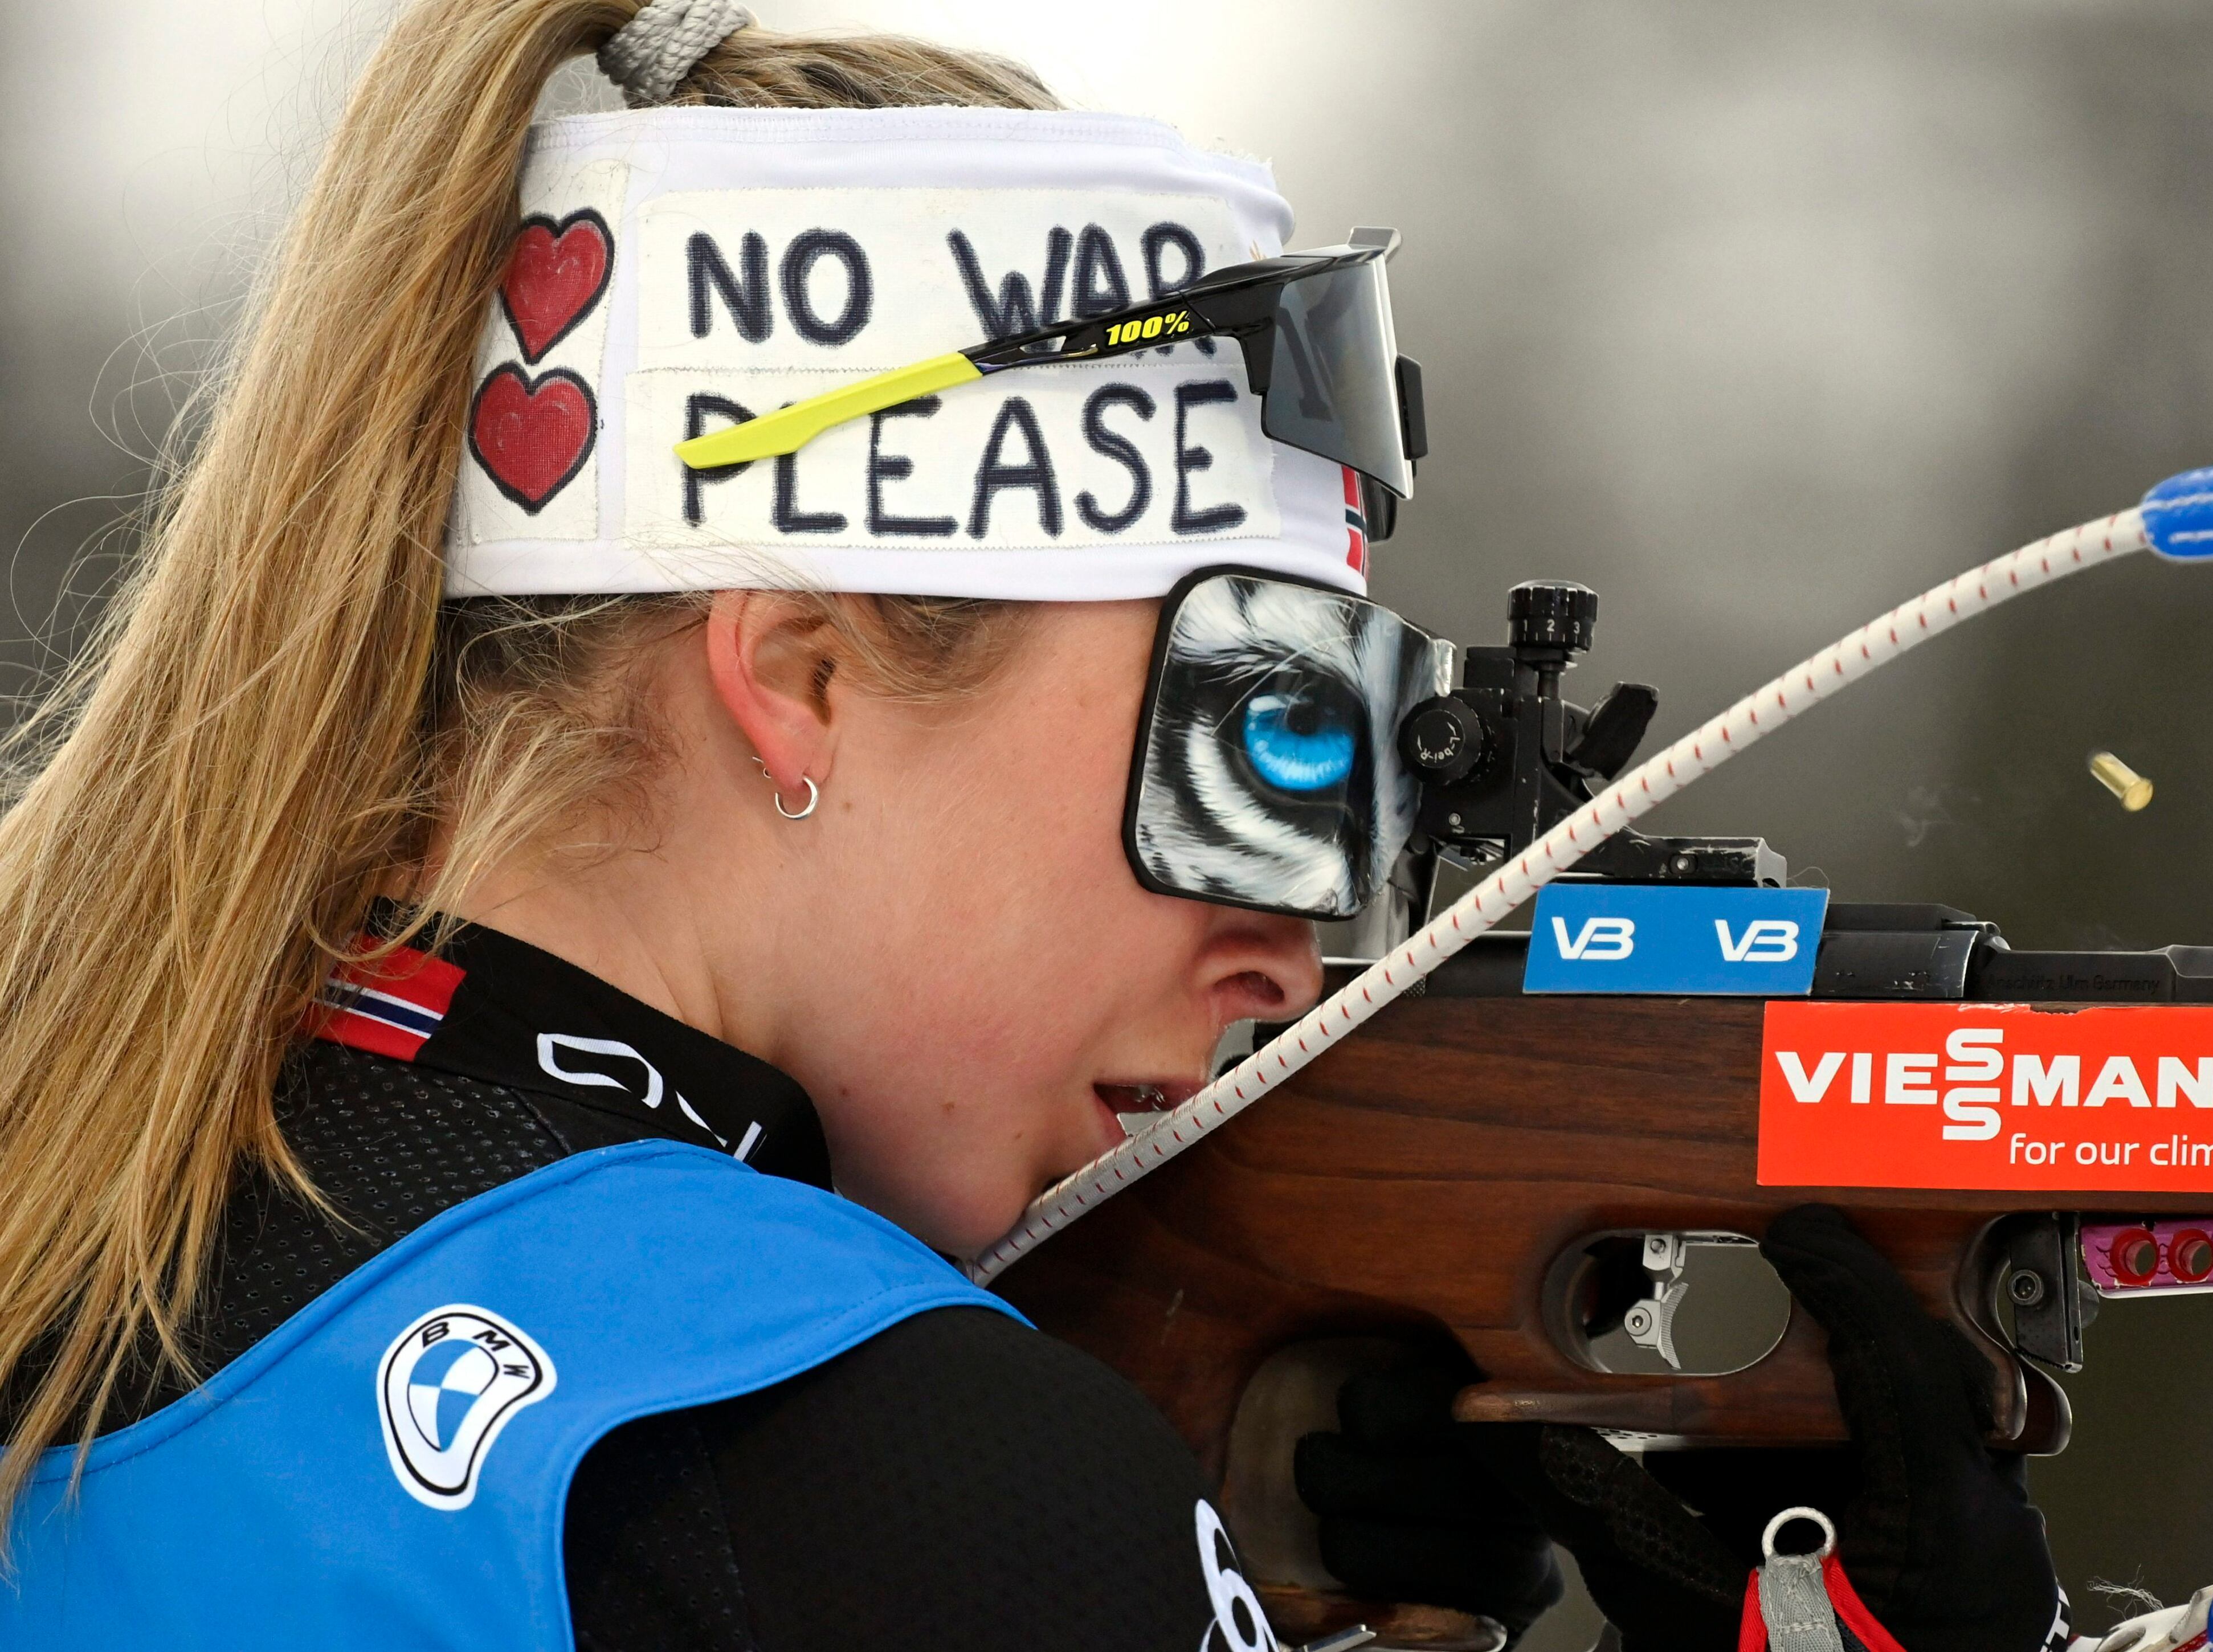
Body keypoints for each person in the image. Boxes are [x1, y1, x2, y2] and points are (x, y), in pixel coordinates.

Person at [0, 1, 2075, 1647]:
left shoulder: (94, 1204)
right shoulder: (884, 1454)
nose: (1295, 953)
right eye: (1252, 734)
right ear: (804, 668)